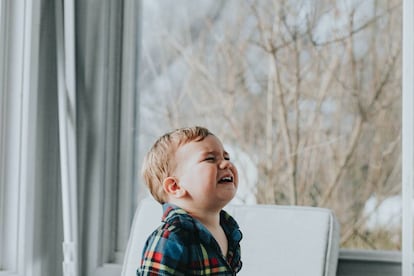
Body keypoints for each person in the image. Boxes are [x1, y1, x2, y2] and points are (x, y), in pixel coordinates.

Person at [137, 126, 242, 275]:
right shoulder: (171, 237)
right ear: (175, 186)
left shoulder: (229, 230)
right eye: (210, 159)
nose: (226, 164)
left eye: (226, 157)